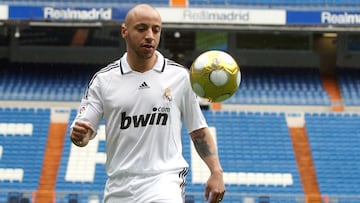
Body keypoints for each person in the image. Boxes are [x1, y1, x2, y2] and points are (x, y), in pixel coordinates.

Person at [69, 4, 225, 203]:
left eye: (156, 30)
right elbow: (83, 133)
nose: (150, 35)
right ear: (124, 31)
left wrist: (216, 171)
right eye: (142, 29)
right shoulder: (103, 80)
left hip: (164, 182)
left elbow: (198, 130)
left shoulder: (179, 77)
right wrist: (79, 136)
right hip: (119, 186)